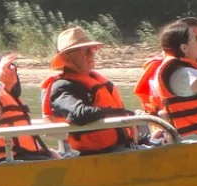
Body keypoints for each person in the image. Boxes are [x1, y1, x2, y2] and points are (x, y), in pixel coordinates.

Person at [39, 27, 135, 155]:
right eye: (84, 50)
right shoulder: (61, 87)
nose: (91, 54)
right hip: (95, 154)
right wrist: (118, 112)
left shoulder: (92, 79)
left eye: (92, 49)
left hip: (120, 147)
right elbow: (78, 114)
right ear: (67, 59)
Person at [0, 53, 54, 164]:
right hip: (3, 163)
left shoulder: (13, 99)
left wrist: (46, 152)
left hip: (26, 158)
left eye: (13, 65)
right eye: (6, 67)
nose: (13, 68)